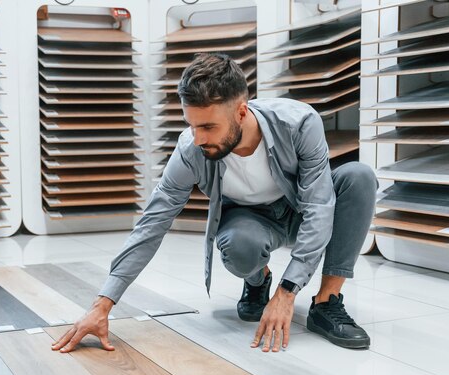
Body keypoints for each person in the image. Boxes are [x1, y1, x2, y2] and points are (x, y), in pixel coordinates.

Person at [52, 53, 377, 354]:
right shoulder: (191, 149)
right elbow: (153, 222)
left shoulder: (299, 123)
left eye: (208, 126)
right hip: (251, 222)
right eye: (192, 125)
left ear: (241, 111)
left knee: (358, 177)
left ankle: (326, 302)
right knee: (238, 245)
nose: (199, 138)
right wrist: (102, 305)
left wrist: (288, 291)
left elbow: (319, 206)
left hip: (299, 209)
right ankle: (257, 280)